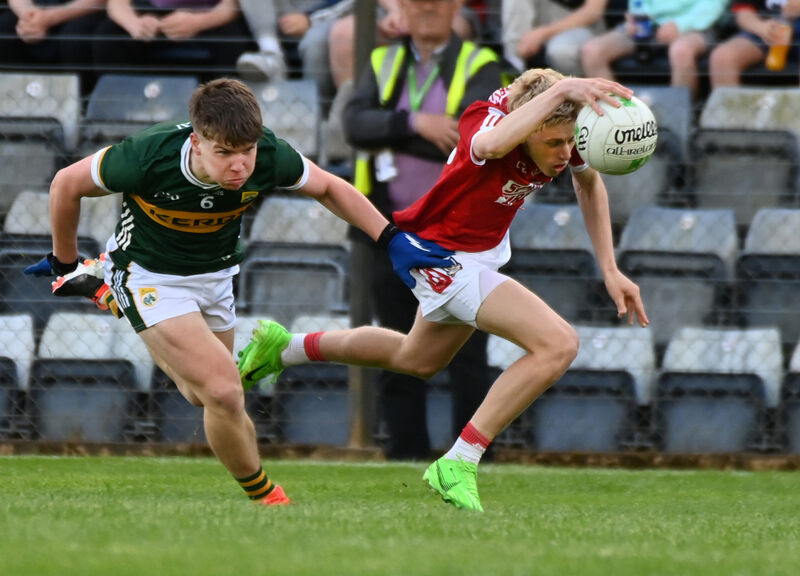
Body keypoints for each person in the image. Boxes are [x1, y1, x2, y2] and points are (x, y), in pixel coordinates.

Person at [23, 77, 455, 506]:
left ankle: (112, 297)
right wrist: (65, 262)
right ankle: (268, 499)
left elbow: (328, 186)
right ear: (196, 141)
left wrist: (391, 237)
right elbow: (66, 183)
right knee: (225, 391)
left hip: (215, 278)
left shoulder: (266, 152)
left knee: (204, 395)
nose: (239, 165)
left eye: (245, 152)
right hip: (150, 277)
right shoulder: (146, 155)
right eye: (224, 153)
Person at [238, 69, 649, 511]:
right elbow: (491, 145)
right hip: (441, 258)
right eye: (554, 143)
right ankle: (460, 460)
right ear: (529, 126)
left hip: (479, 255)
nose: (565, 153)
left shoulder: (559, 132)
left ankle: (285, 347)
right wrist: (566, 87)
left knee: (415, 358)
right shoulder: (486, 121)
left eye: (570, 142)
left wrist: (610, 267)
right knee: (559, 344)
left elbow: (589, 184)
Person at [342, 0, 503, 459]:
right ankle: (405, 452)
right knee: (397, 345)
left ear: (457, 7)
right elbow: (355, 125)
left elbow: (473, 141)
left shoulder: (480, 64)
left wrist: (391, 132)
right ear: (402, 9)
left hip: (456, 238)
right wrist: (418, 123)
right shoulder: (382, 58)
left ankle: (471, 457)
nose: (428, 6)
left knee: (467, 355)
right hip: (390, 232)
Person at [580, 0, 727, 98]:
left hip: (697, 25)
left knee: (681, 51)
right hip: (647, 24)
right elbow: (638, 3)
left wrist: (680, 25)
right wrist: (636, 17)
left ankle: (677, 123)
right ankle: (618, 117)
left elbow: (713, 5)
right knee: (592, 51)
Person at [90, 0, 256, 78]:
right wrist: (135, 24)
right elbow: (117, 4)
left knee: (234, 42)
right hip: (152, 13)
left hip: (211, 16)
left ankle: (225, 120)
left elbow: (232, 6)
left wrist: (197, 22)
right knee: (107, 38)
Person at [0, 0, 107, 87]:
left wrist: (49, 18)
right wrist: (28, 16)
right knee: (4, 29)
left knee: (75, 38)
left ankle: (82, 104)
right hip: (34, 11)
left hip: (82, 11)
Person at [502, 0, 610, 76]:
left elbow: (592, 12)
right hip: (537, 26)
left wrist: (542, 33)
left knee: (561, 52)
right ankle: (513, 73)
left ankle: (576, 102)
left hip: (583, 27)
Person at [709, 0, 800, 88]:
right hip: (767, 28)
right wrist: (759, 27)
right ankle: (729, 103)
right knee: (722, 57)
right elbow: (743, 11)